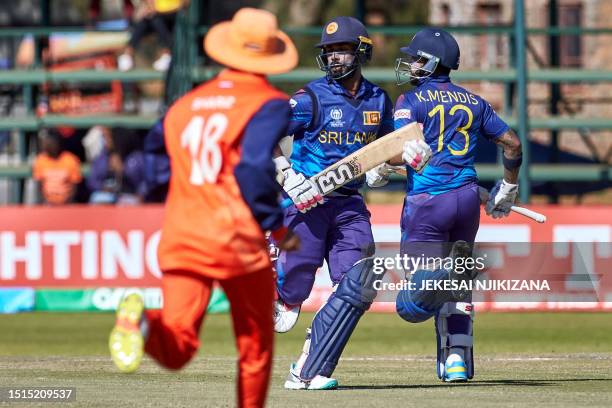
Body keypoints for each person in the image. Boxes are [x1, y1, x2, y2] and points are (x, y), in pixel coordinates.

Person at [108, 8, 300, 408]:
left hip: (182, 234)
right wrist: (276, 227)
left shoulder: (185, 105)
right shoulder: (270, 103)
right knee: (255, 350)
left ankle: (143, 322)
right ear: (269, 55)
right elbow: (251, 167)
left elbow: (154, 155)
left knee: (177, 347)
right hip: (236, 241)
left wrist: (178, 189)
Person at [368, 27, 522, 382]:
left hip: (428, 201)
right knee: (458, 283)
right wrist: (507, 189)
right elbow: (513, 144)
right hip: (467, 199)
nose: (410, 64)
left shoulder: (411, 101)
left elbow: (403, 149)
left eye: (417, 58)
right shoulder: (476, 102)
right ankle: (456, 360)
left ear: (433, 62)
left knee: (416, 294)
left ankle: (451, 337)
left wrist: (382, 164)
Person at [272, 16, 417, 390]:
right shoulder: (311, 98)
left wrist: (404, 157)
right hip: (306, 203)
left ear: (361, 51)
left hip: (349, 203)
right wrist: (288, 176)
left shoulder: (377, 99)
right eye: (330, 51)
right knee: (293, 291)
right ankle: (282, 292)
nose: (335, 57)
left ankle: (311, 365)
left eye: (342, 50)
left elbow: (388, 149)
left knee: (358, 282)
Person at [117, 0, 183, 71]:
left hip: (173, 14)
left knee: (154, 20)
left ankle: (166, 54)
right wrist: (148, 9)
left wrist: (156, 11)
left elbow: (182, 5)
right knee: (147, 20)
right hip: (157, 15)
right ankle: (128, 54)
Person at [32, 131, 82, 205]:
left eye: (52, 144)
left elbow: (75, 185)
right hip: (48, 203)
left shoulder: (70, 160)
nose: (49, 146)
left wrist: (67, 202)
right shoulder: (41, 160)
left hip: (67, 202)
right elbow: (39, 185)